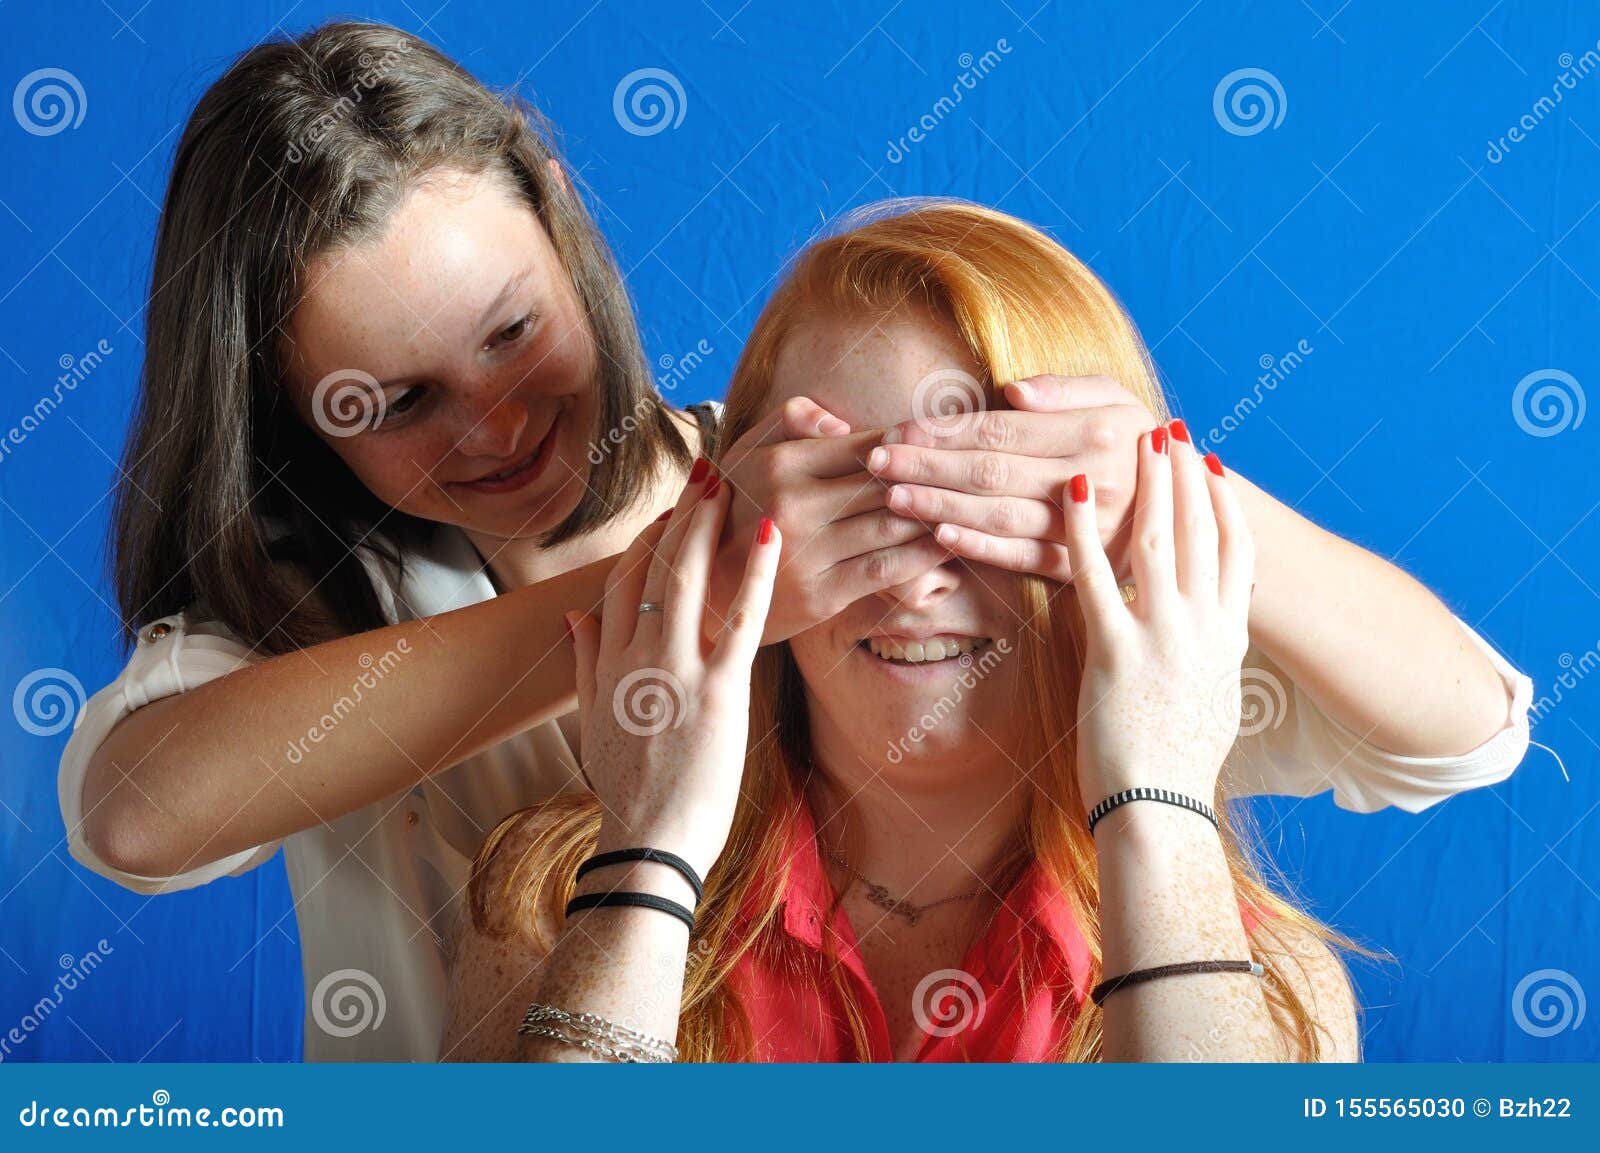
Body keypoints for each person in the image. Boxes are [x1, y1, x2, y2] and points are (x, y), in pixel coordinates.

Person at [442, 200, 1532, 1061]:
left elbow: (1470, 724)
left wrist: (1157, 801)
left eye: (988, 505)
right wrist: (649, 848)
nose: (916, 584)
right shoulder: (547, 906)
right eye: (853, 508)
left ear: (1110, 531)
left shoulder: (1272, 985)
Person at [52, 23, 946, 1061]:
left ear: (559, 214)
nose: (498, 429)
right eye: (399, 402)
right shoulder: (317, 608)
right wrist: (677, 587)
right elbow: (132, 816)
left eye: (513, 333)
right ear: (291, 410)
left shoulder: (814, 489)